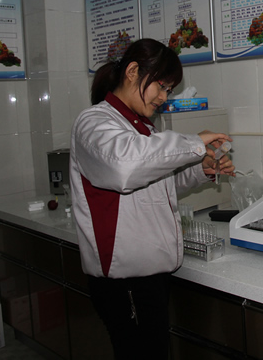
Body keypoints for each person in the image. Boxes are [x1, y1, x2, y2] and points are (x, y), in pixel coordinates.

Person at [69, 38, 234, 359]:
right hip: (122, 278)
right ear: (133, 72)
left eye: (169, 90)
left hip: (149, 273)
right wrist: (194, 142)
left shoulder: (143, 128)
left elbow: (159, 186)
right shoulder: (94, 123)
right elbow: (125, 167)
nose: (164, 97)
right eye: (161, 86)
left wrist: (202, 169)